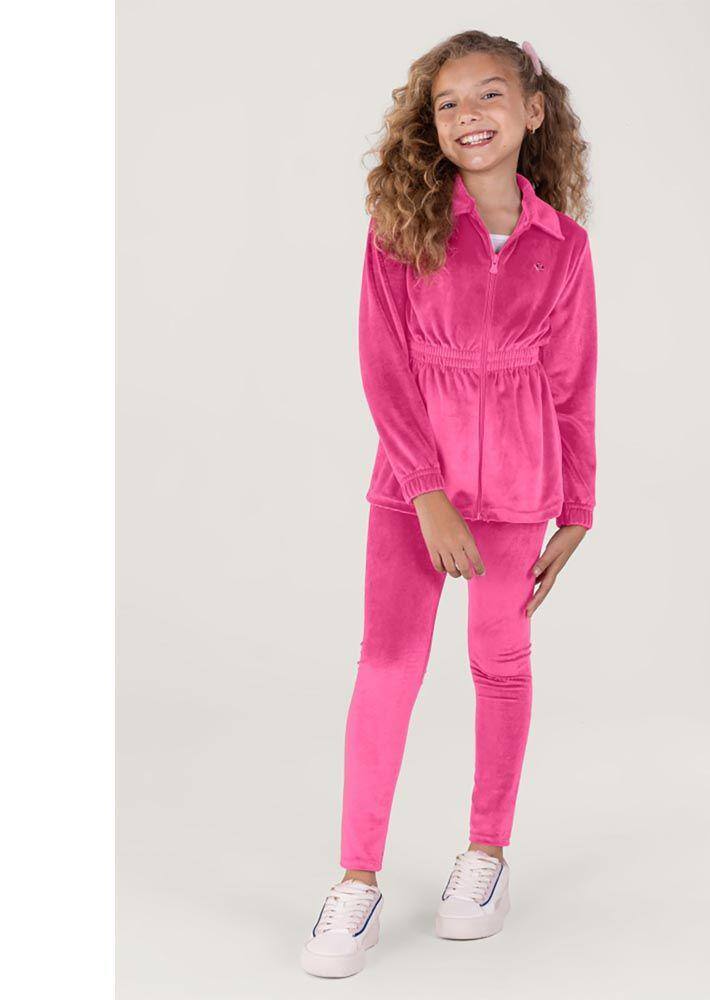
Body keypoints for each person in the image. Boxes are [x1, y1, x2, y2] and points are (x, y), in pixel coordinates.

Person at [300, 30, 599, 979]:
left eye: (490, 94)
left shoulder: (565, 246)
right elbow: (383, 366)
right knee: (388, 666)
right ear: (430, 125)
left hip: (518, 487)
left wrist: (578, 505)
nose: (470, 115)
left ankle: (486, 854)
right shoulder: (406, 225)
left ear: (533, 111)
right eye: (448, 103)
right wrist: (426, 492)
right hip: (411, 490)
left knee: (499, 664)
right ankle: (357, 878)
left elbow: (572, 381)